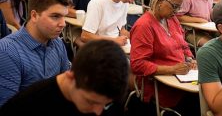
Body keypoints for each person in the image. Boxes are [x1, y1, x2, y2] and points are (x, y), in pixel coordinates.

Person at [0, 40, 129, 116]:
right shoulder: (28, 105)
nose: (98, 112)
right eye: (90, 102)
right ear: (71, 77)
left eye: (106, 105)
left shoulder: (110, 91)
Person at [130, 0, 199, 116]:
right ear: (161, 1)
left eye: (179, 7)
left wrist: (190, 58)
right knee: (199, 103)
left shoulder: (171, 19)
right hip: (160, 84)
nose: (176, 12)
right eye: (174, 6)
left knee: (205, 97)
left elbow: (183, 44)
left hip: (181, 79)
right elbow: (138, 65)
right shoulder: (144, 26)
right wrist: (171, 69)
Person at [0, 0, 72, 106]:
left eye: (64, 16)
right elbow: (7, 110)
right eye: (55, 16)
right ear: (34, 16)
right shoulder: (7, 52)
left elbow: (67, 83)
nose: (63, 24)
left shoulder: (58, 43)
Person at [81, 0, 145, 46]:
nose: (131, 0)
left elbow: (121, 30)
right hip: (99, 47)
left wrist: (136, 37)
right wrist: (114, 41)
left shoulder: (124, 3)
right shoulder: (98, 2)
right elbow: (85, 36)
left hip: (114, 45)